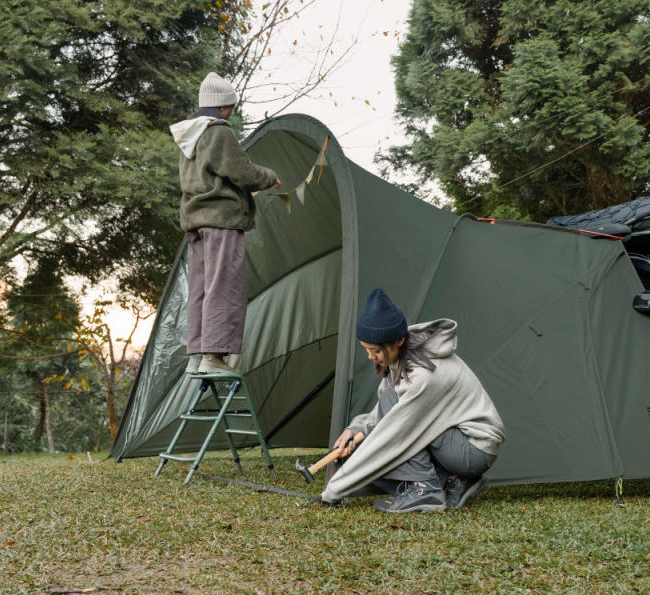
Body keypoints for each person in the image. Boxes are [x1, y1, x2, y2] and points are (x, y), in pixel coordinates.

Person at [320, 289, 506, 513]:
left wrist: (334, 490)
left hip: (474, 449)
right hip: (457, 444)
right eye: (366, 350)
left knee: (390, 435)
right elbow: (383, 412)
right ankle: (457, 480)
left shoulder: (423, 376)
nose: (371, 357)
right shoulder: (406, 356)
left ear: (398, 340)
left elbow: (392, 434)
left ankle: (425, 490)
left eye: (375, 350)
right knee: (389, 411)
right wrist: (356, 429)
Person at [169, 72, 280, 375]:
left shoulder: (188, 137)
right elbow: (240, 170)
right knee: (224, 286)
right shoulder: (218, 132)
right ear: (221, 107)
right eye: (230, 107)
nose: (232, 112)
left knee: (201, 288)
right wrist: (269, 177)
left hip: (195, 223)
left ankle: (197, 354)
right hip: (220, 221)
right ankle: (214, 358)